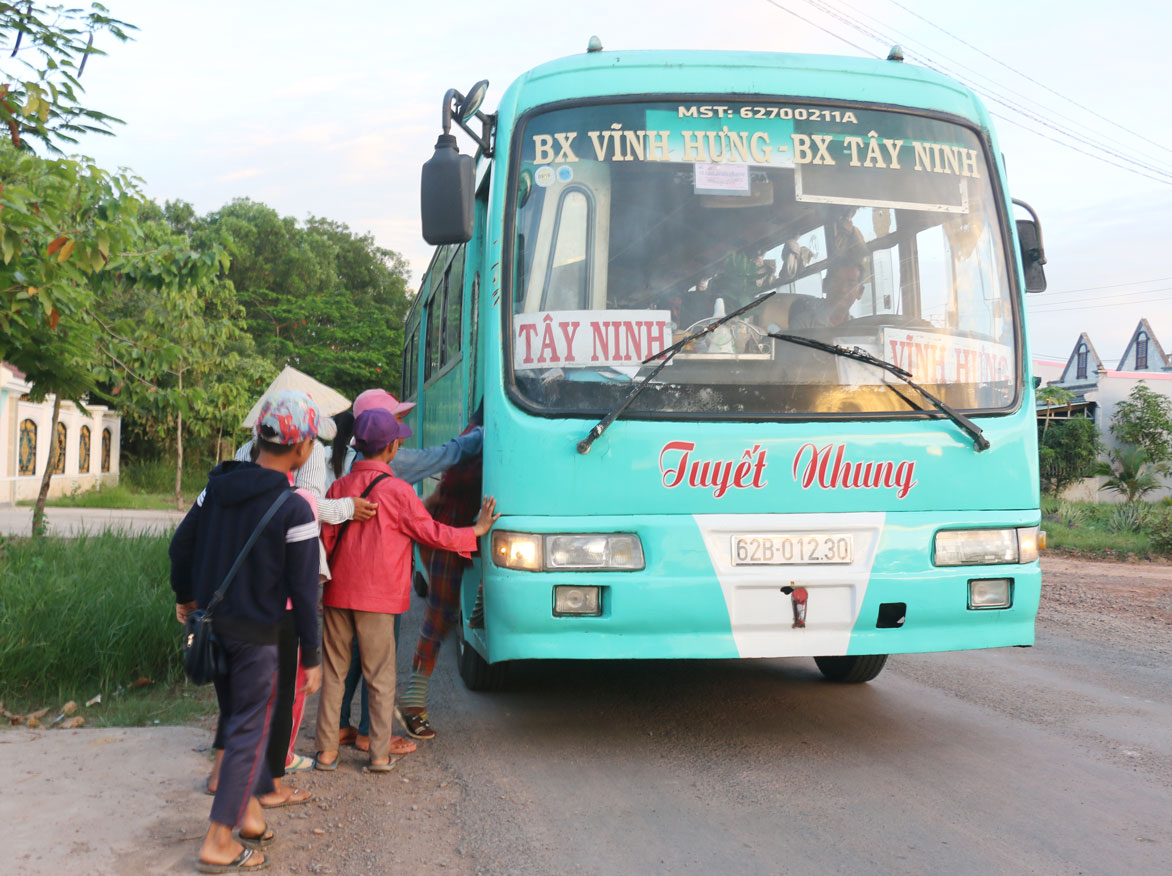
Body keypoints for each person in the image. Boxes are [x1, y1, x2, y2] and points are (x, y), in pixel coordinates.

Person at [171, 389, 323, 873]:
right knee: (248, 732)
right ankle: (218, 839)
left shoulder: (216, 487)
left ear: (259, 435)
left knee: (238, 718)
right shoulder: (295, 507)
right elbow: (304, 591)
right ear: (301, 449)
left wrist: (187, 597)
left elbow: (181, 546)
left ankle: (252, 815)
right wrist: (314, 658)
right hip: (258, 637)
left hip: (214, 630)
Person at [314, 409, 499, 773]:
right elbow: (432, 533)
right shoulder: (398, 492)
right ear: (393, 448)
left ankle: (326, 753)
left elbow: (327, 538)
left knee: (335, 674)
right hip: (378, 600)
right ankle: (379, 755)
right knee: (380, 677)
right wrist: (474, 532)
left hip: (338, 595)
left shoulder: (340, 488)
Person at [397, 412, 483, 740]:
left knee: (444, 615)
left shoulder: (476, 432)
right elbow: (454, 484)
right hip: (450, 529)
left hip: (456, 526)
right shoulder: (479, 436)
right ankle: (413, 704)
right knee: (439, 615)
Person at [787, 259, 865, 330]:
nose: (843, 289)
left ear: (860, 292)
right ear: (824, 285)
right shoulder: (803, 325)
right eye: (836, 281)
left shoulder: (860, 328)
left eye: (851, 283)